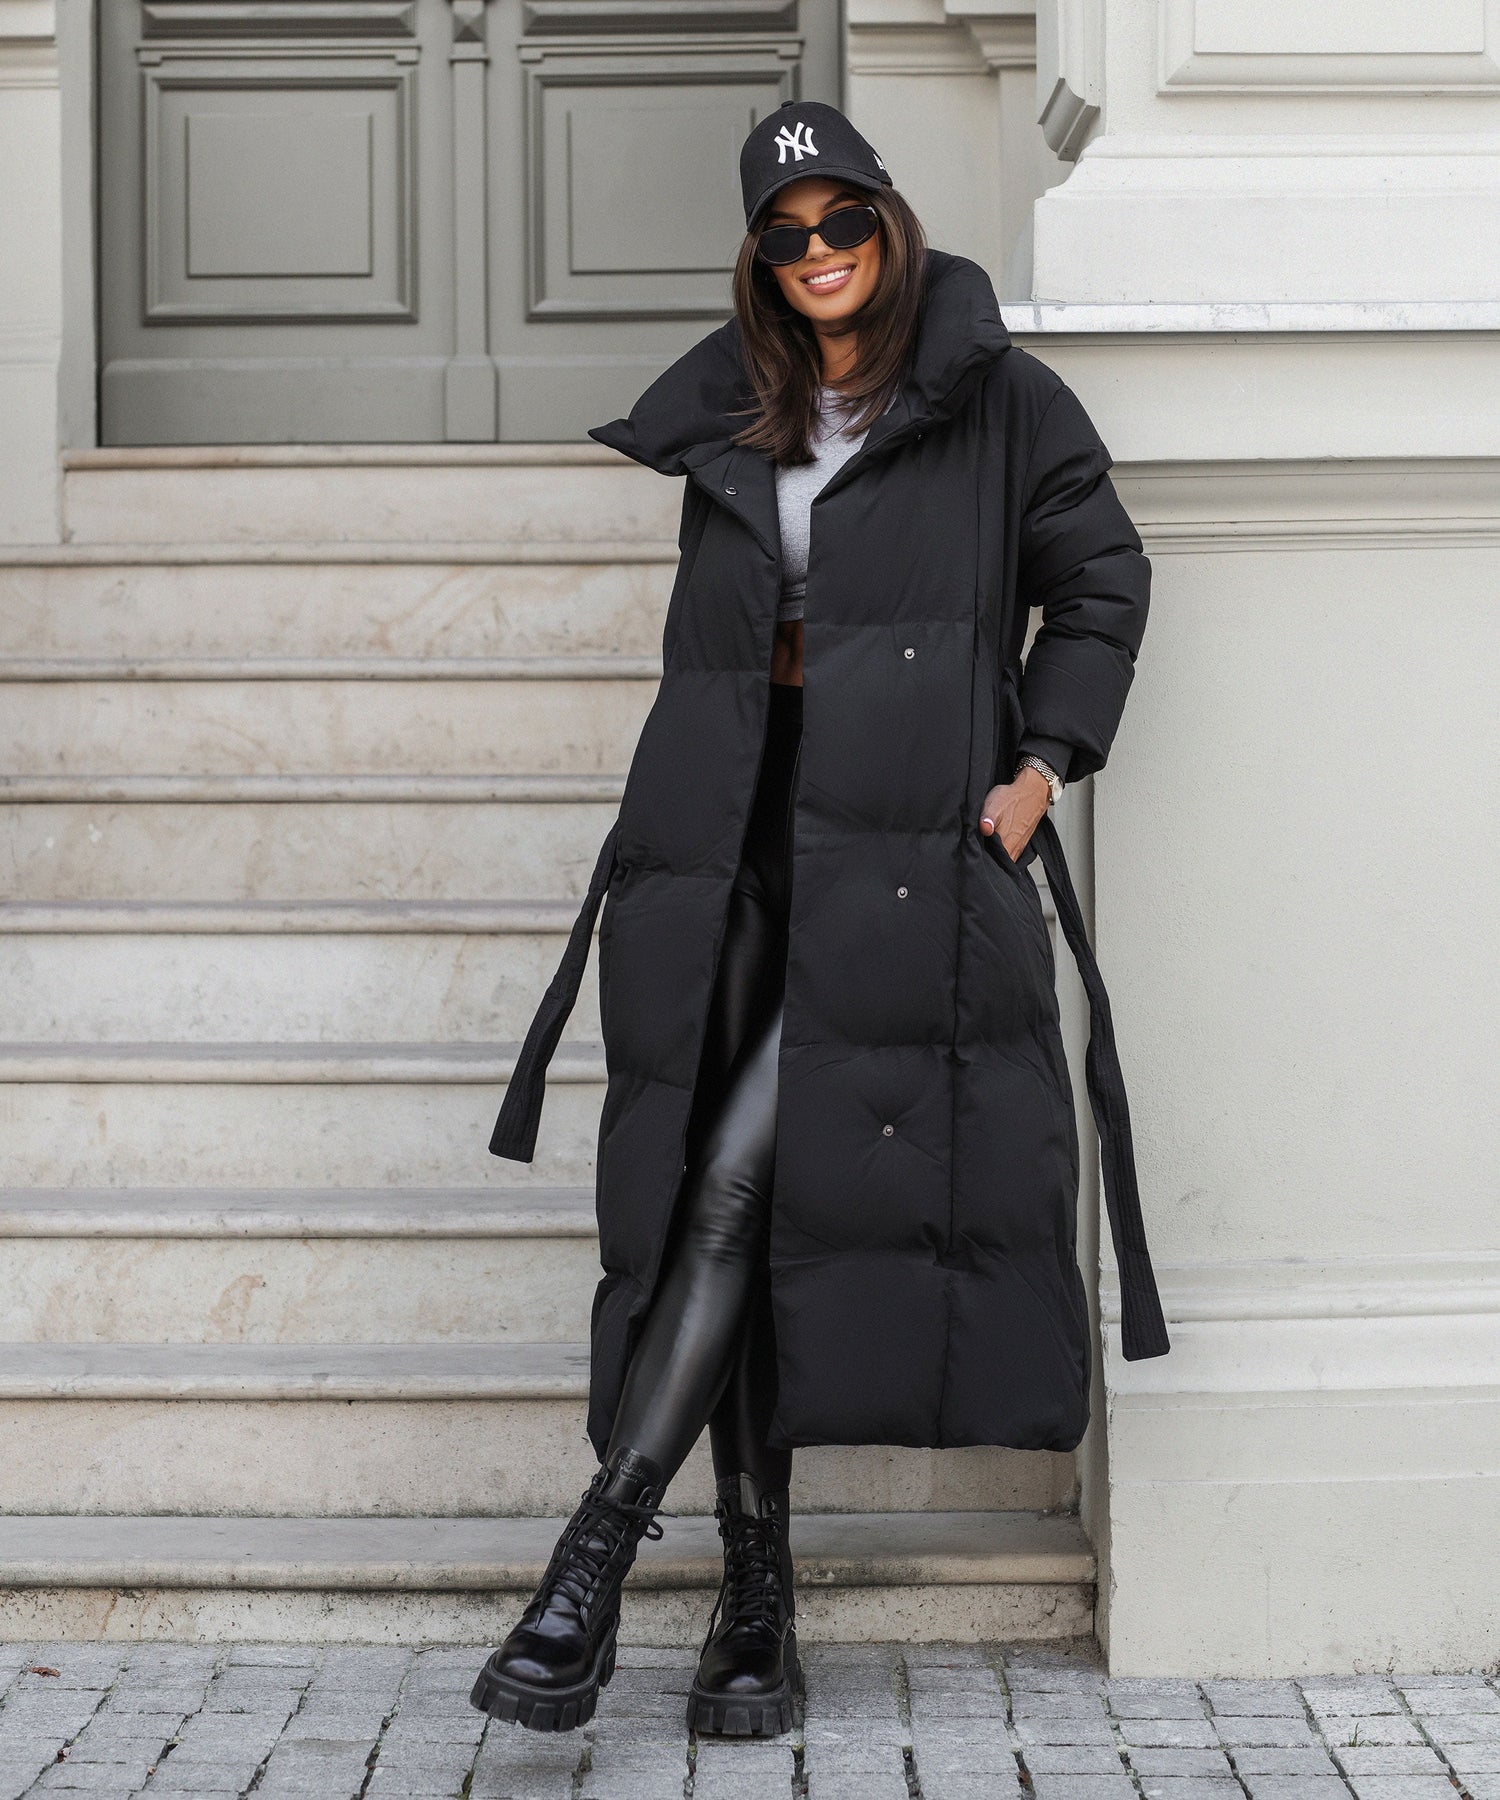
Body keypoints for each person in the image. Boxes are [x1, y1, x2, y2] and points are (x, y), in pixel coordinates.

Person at [470, 100, 1170, 1738]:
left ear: (887, 218)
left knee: (731, 1184)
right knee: (729, 1212)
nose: (819, 251)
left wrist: (1040, 767)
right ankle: (754, 1601)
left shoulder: (999, 397)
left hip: (901, 851)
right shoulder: (742, 404)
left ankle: (588, 1571)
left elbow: (1104, 580)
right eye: (785, 234)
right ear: (760, 260)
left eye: (841, 217)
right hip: (729, 842)